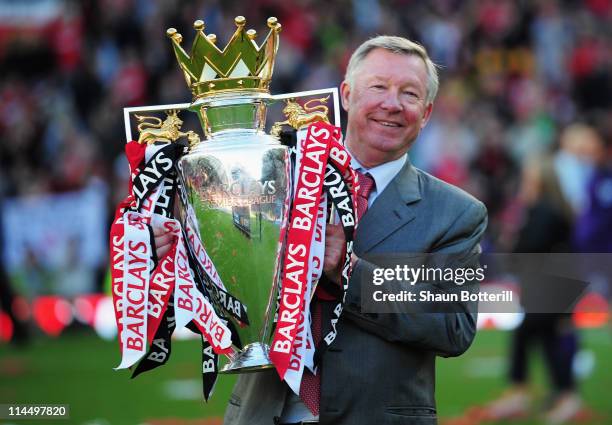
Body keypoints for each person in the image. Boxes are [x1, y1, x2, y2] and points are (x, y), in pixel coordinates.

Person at [222, 36, 488, 425]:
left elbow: (453, 327)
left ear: (426, 112)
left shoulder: (456, 213)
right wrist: (184, 255)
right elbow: (227, 298)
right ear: (346, 95)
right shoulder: (276, 181)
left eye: (409, 94)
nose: (392, 104)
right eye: (378, 86)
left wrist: (348, 273)